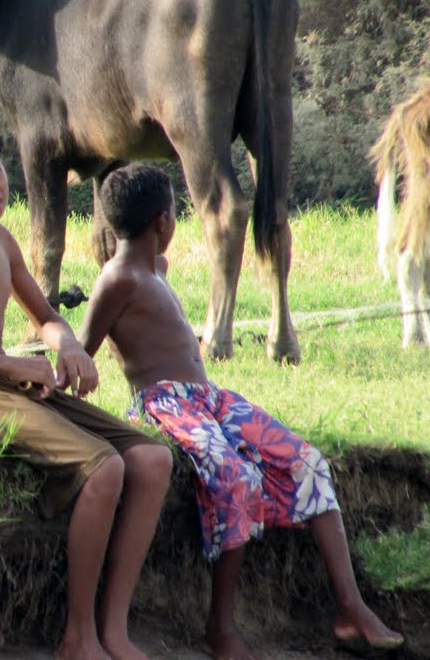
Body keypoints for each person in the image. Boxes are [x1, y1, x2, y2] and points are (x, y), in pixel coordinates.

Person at [76, 163, 404, 660]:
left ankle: (351, 606)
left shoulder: (155, 271)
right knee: (235, 479)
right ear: (163, 222)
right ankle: (220, 626)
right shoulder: (117, 278)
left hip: (208, 399)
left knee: (307, 461)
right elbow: (86, 349)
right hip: (164, 406)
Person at [0, 117, 173, 660]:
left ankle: (114, 628)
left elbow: (44, 315)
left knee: (151, 457)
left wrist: (66, 344)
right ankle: (78, 637)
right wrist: (6, 365)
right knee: (103, 465)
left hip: (2, 376)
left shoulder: (2, 241)